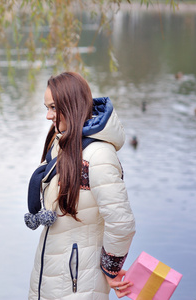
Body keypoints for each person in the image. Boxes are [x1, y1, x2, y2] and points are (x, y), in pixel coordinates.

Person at [24, 72, 136, 300]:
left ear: (71, 105)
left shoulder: (98, 154)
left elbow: (121, 222)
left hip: (77, 283)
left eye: (54, 108)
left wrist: (110, 268)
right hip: (51, 275)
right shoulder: (62, 143)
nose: (48, 116)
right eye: (47, 107)